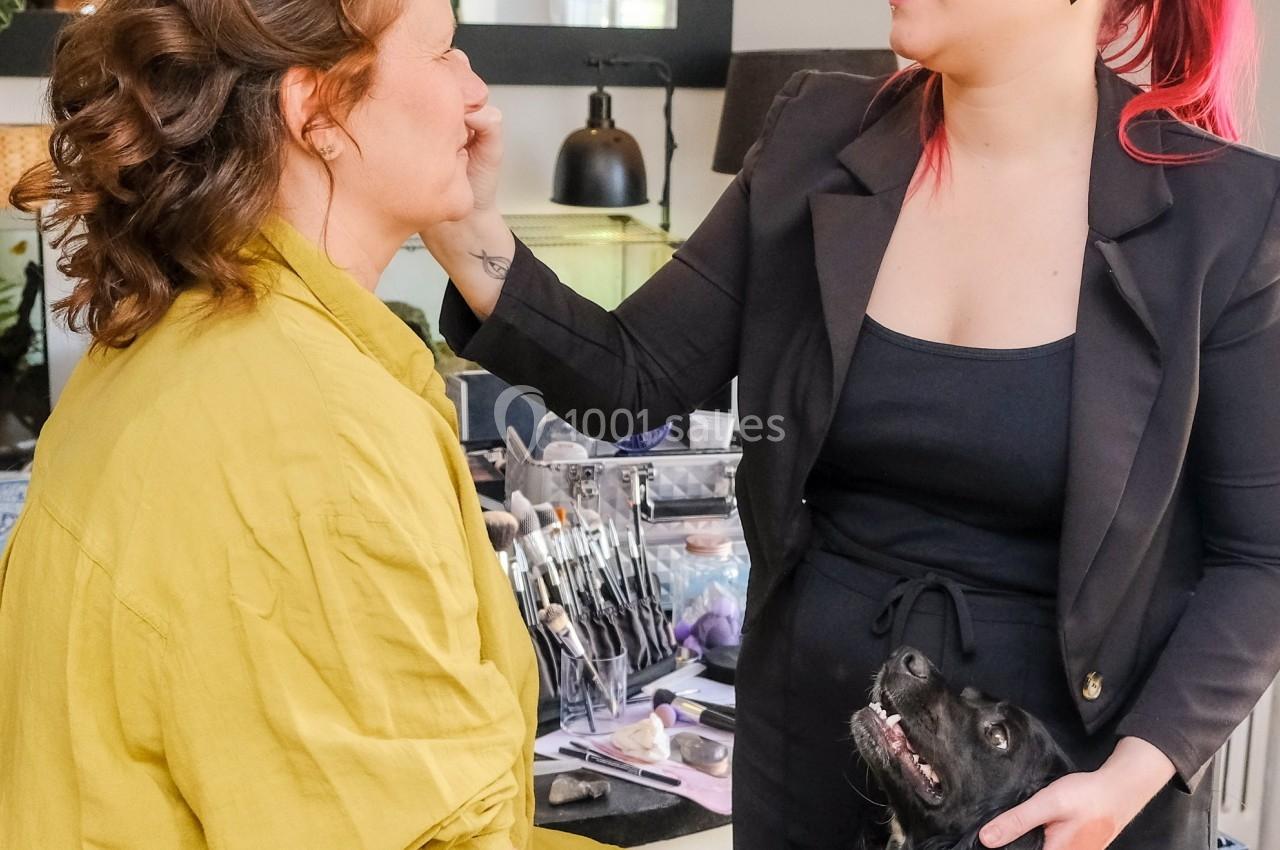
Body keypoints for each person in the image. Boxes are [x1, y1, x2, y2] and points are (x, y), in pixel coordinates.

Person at [421, 0, 1280, 847]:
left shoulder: (1227, 215)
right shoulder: (816, 136)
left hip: (1068, 800)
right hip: (812, 749)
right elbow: (634, 372)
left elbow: (1262, 557)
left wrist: (1126, 781)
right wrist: (461, 217)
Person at [0, 0, 600, 848]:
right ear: (313, 110)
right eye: (443, 53)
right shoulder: (316, 440)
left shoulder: (184, 340)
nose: (477, 92)